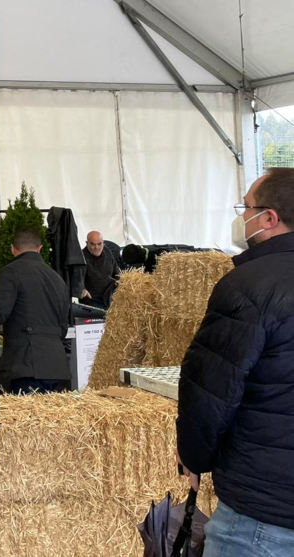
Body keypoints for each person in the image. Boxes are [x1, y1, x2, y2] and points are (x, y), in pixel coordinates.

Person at [177, 168, 294, 556]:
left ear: (269, 218)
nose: (241, 217)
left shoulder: (250, 285)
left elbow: (210, 389)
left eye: (246, 208)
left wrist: (194, 458)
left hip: (262, 511)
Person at [0, 227, 71, 394]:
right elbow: (63, 326)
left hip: (25, 366)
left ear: (12, 249)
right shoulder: (57, 278)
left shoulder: (11, 272)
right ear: (40, 249)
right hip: (58, 366)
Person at [80, 230, 120, 308]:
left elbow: (117, 272)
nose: (96, 247)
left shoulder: (107, 251)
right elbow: (77, 278)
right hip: (92, 300)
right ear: (86, 243)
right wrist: (81, 289)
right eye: (92, 244)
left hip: (110, 296)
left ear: (103, 242)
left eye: (99, 244)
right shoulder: (81, 257)